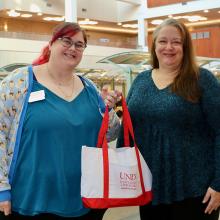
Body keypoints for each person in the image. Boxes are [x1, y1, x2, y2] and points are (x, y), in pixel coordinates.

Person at [0, 22, 121, 219]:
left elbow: (110, 134)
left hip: (85, 199)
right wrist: (1, 188)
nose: (73, 48)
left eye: (79, 44)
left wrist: (109, 111)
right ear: (51, 44)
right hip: (32, 199)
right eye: (66, 41)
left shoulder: (90, 88)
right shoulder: (20, 82)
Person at [117, 18, 220, 220]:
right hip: (150, 189)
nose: (169, 47)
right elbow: (128, 130)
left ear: (185, 47)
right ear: (154, 45)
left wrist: (219, 184)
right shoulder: (141, 81)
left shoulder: (202, 79)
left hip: (196, 190)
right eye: (162, 41)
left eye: (176, 42)